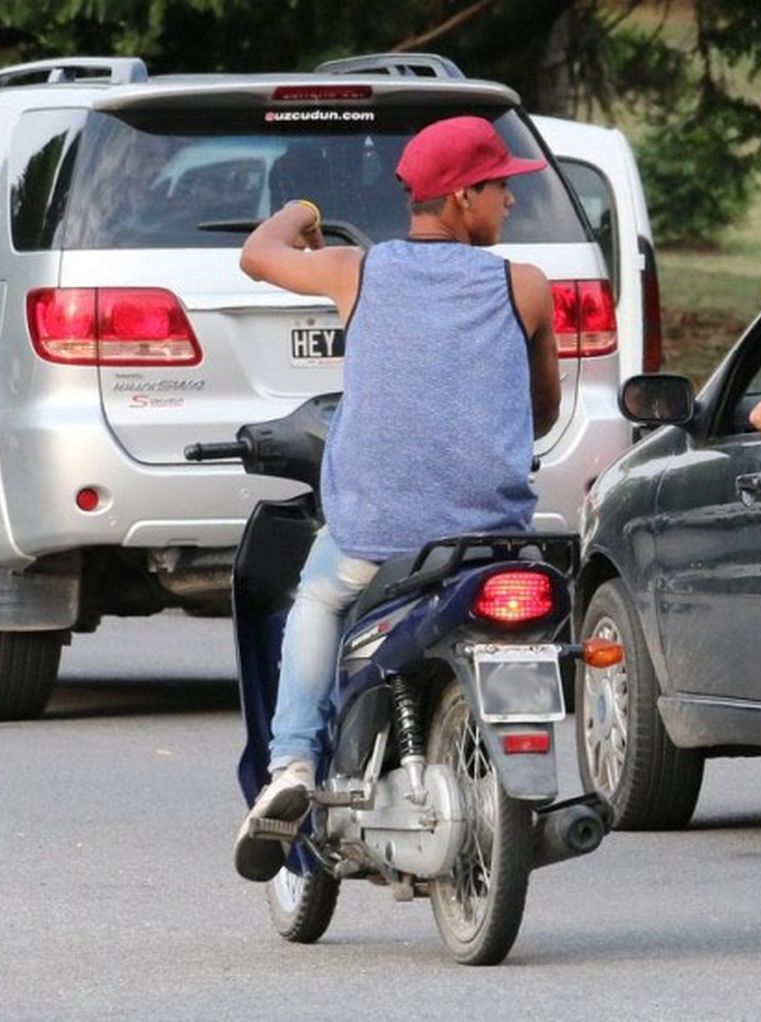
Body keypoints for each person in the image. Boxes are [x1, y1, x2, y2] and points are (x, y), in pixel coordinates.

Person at [231, 116, 561, 882]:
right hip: (491, 537)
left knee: (316, 598)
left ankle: (290, 770)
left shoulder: (358, 272)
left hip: (377, 534)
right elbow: (540, 414)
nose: (510, 202)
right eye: (501, 187)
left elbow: (258, 253)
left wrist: (304, 212)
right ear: (461, 196)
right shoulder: (526, 288)